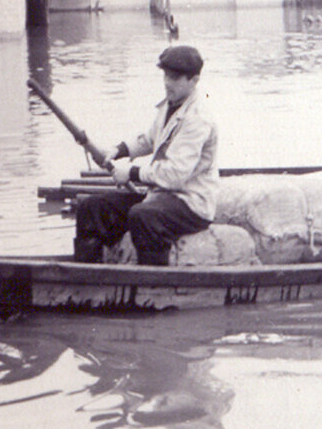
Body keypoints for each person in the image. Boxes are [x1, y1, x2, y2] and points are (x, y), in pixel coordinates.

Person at [73, 45, 219, 266]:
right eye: (166, 76)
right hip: (161, 196)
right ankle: (85, 274)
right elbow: (150, 139)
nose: (167, 82)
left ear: (194, 80)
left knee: (143, 216)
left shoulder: (198, 119)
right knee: (91, 208)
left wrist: (131, 173)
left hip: (190, 204)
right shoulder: (170, 104)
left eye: (175, 78)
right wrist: (118, 150)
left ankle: (152, 280)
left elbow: (174, 175)